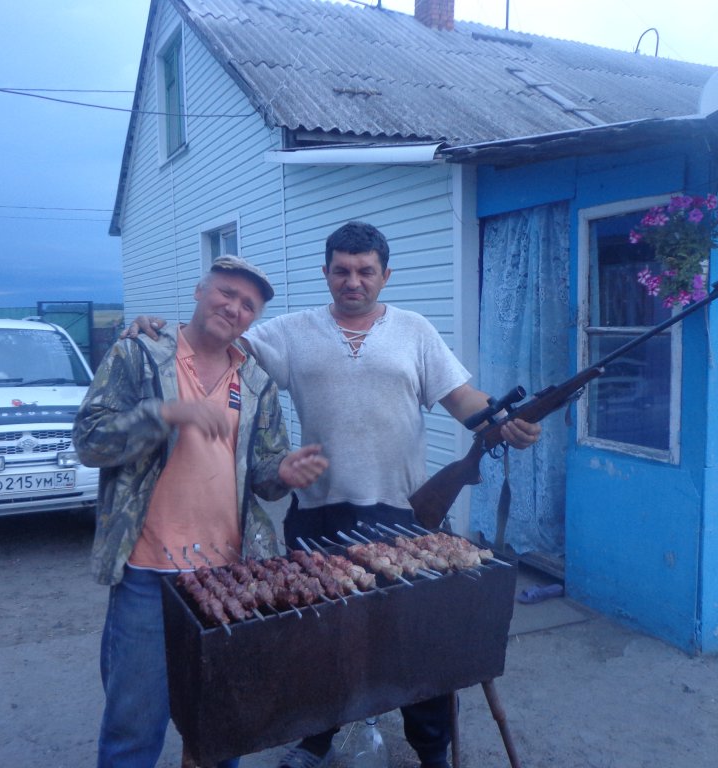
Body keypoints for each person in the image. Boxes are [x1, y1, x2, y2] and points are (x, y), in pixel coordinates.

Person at [129, 222, 541, 768]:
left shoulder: (415, 331)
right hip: (319, 514)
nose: (353, 281)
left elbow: (462, 398)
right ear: (326, 273)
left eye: (366, 271)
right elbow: (217, 342)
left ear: (385, 275)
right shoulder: (291, 332)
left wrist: (502, 422)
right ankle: (315, 737)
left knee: (418, 638)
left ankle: (431, 750)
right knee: (318, 642)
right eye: (342, 270)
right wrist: (162, 330)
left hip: (404, 512)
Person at [74, 255, 328, 768]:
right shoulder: (140, 355)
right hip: (149, 575)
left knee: (221, 726)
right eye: (226, 293)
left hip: (227, 575)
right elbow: (89, 441)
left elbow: (264, 475)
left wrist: (284, 471)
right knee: (133, 724)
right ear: (199, 290)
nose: (234, 308)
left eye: (247, 305)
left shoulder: (256, 380)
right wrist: (164, 413)